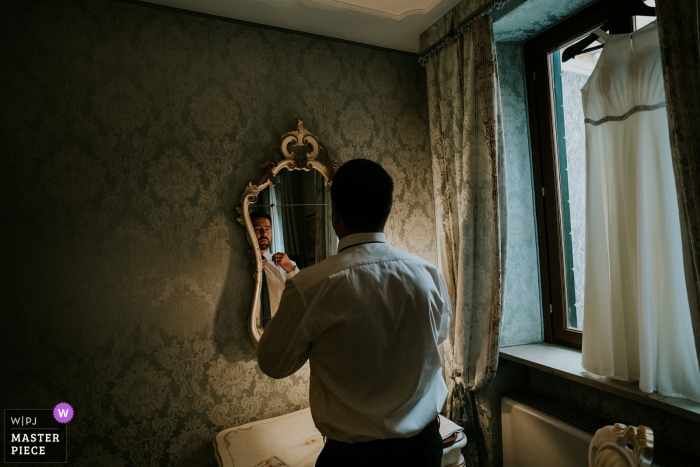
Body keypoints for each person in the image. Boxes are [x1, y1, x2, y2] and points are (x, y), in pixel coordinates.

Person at [258, 159, 452, 467]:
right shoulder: (429, 274)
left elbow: (273, 364)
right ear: (386, 212)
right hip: (423, 451)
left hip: (353, 461)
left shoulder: (310, 287)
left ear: (334, 213)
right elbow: (437, 337)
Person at [250, 211, 299, 326]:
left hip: (281, 329)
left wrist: (291, 269)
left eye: (267, 229)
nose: (263, 233)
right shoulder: (239, 267)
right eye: (257, 229)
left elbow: (302, 296)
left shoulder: (287, 265)